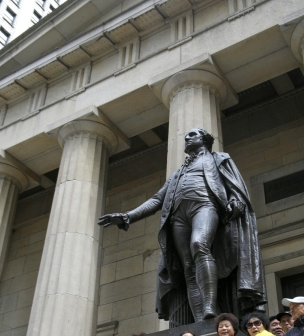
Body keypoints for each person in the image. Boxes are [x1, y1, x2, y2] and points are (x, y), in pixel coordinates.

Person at [98, 128, 266, 325]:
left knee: (199, 244)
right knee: (188, 266)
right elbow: (157, 199)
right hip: (178, 217)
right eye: (186, 136)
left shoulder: (218, 159)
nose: (187, 137)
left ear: (204, 139)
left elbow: (234, 185)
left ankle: (210, 305)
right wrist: (128, 216)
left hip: (205, 205)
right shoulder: (179, 172)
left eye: (193, 135)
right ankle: (200, 319)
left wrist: (236, 200)